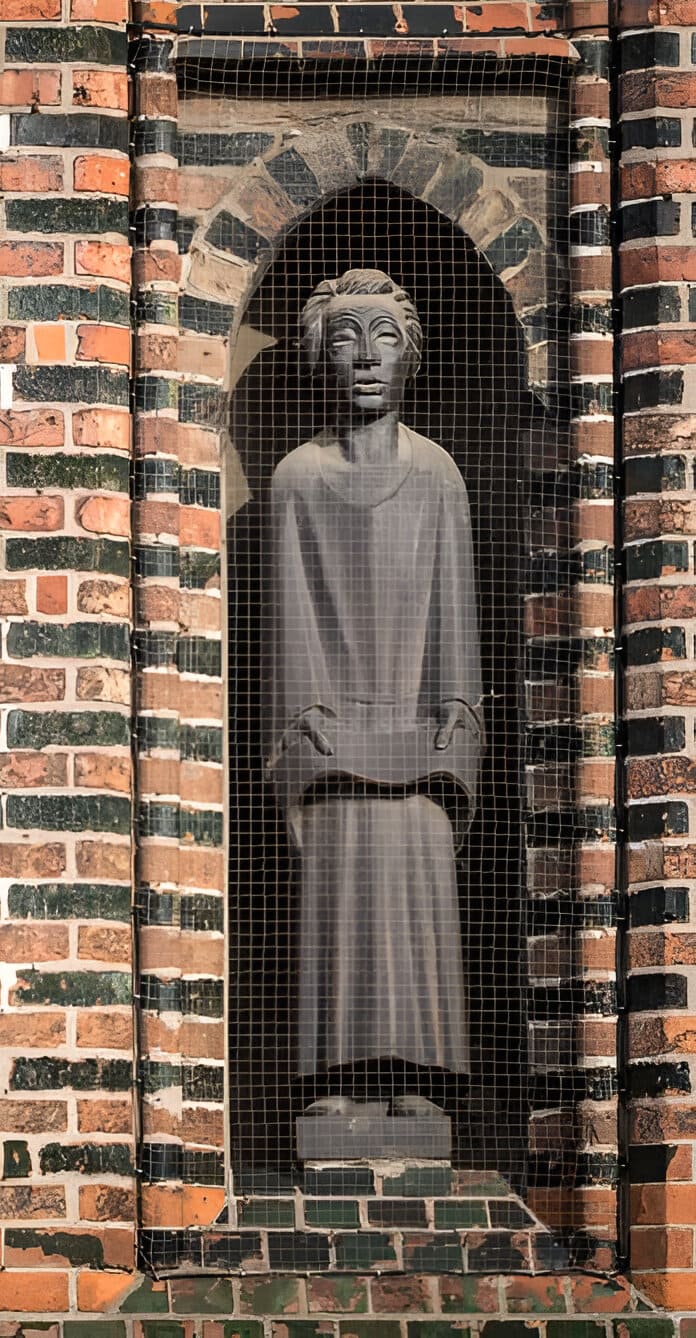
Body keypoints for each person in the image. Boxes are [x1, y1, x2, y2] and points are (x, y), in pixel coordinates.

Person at [267, 268, 482, 1118]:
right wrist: (308, 725)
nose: (365, 357)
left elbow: (456, 614)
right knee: (341, 905)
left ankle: (417, 1087)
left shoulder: (439, 476)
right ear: (321, 357)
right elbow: (291, 614)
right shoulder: (296, 477)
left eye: (384, 337)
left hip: (418, 731)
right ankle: (334, 1084)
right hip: (335, 738)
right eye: (347, 338)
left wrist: (456, 723)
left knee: (416, 905)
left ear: (410, 358)